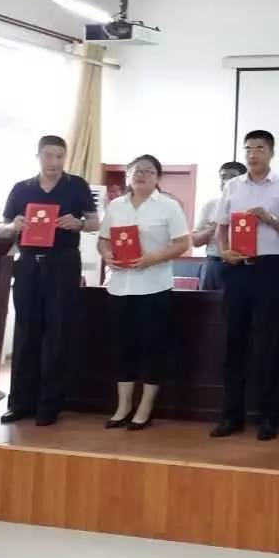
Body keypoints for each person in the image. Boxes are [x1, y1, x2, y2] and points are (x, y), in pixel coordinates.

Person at [0, 135, 98, 426]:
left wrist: (78, 223)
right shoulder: (22, 188)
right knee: (26, 331)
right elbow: (0, 228)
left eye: (59, 156)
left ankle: (49, 404)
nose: (54, 162)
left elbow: (95, 222)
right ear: (38, 156)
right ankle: (20, 402)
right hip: (28, 264)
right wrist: (13, 227)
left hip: (62, 263)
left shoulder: (76, 185)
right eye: (49, 156)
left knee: (57, 331)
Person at [210, 131, 279, 440]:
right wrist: (224, 251)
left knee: (268, 344)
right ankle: (231, 416)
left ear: (271, 152)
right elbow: (221, 227)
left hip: (269, 269)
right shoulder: (232, 186)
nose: (253, 154)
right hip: (236, 269)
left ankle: (268, 418)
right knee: (233, 342)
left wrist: (270, 219)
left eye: (260, 148)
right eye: (248, 149)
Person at [96, 154, 190, 430]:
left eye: (148, 171)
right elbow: (103, 240)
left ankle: (145, 407)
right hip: (119, 287)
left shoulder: (168, 206)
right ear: (128, 175)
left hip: (154, 288)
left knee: (152, 348)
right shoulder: (116, 205)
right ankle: (123, 406)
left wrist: (153, 258)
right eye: (136, 171)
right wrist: (107, 255)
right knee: (122, 347)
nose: (141, 175)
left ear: (157, 177)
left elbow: (183, 243)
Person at [193, 161, 247, 291]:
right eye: (223, 177)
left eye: (232, 176)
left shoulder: (252, 205)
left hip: (244, 264)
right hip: (215, 263)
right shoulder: (210, 206)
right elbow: (195, 241)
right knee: (208, 303)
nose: (226, 181)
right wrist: (214, 228)